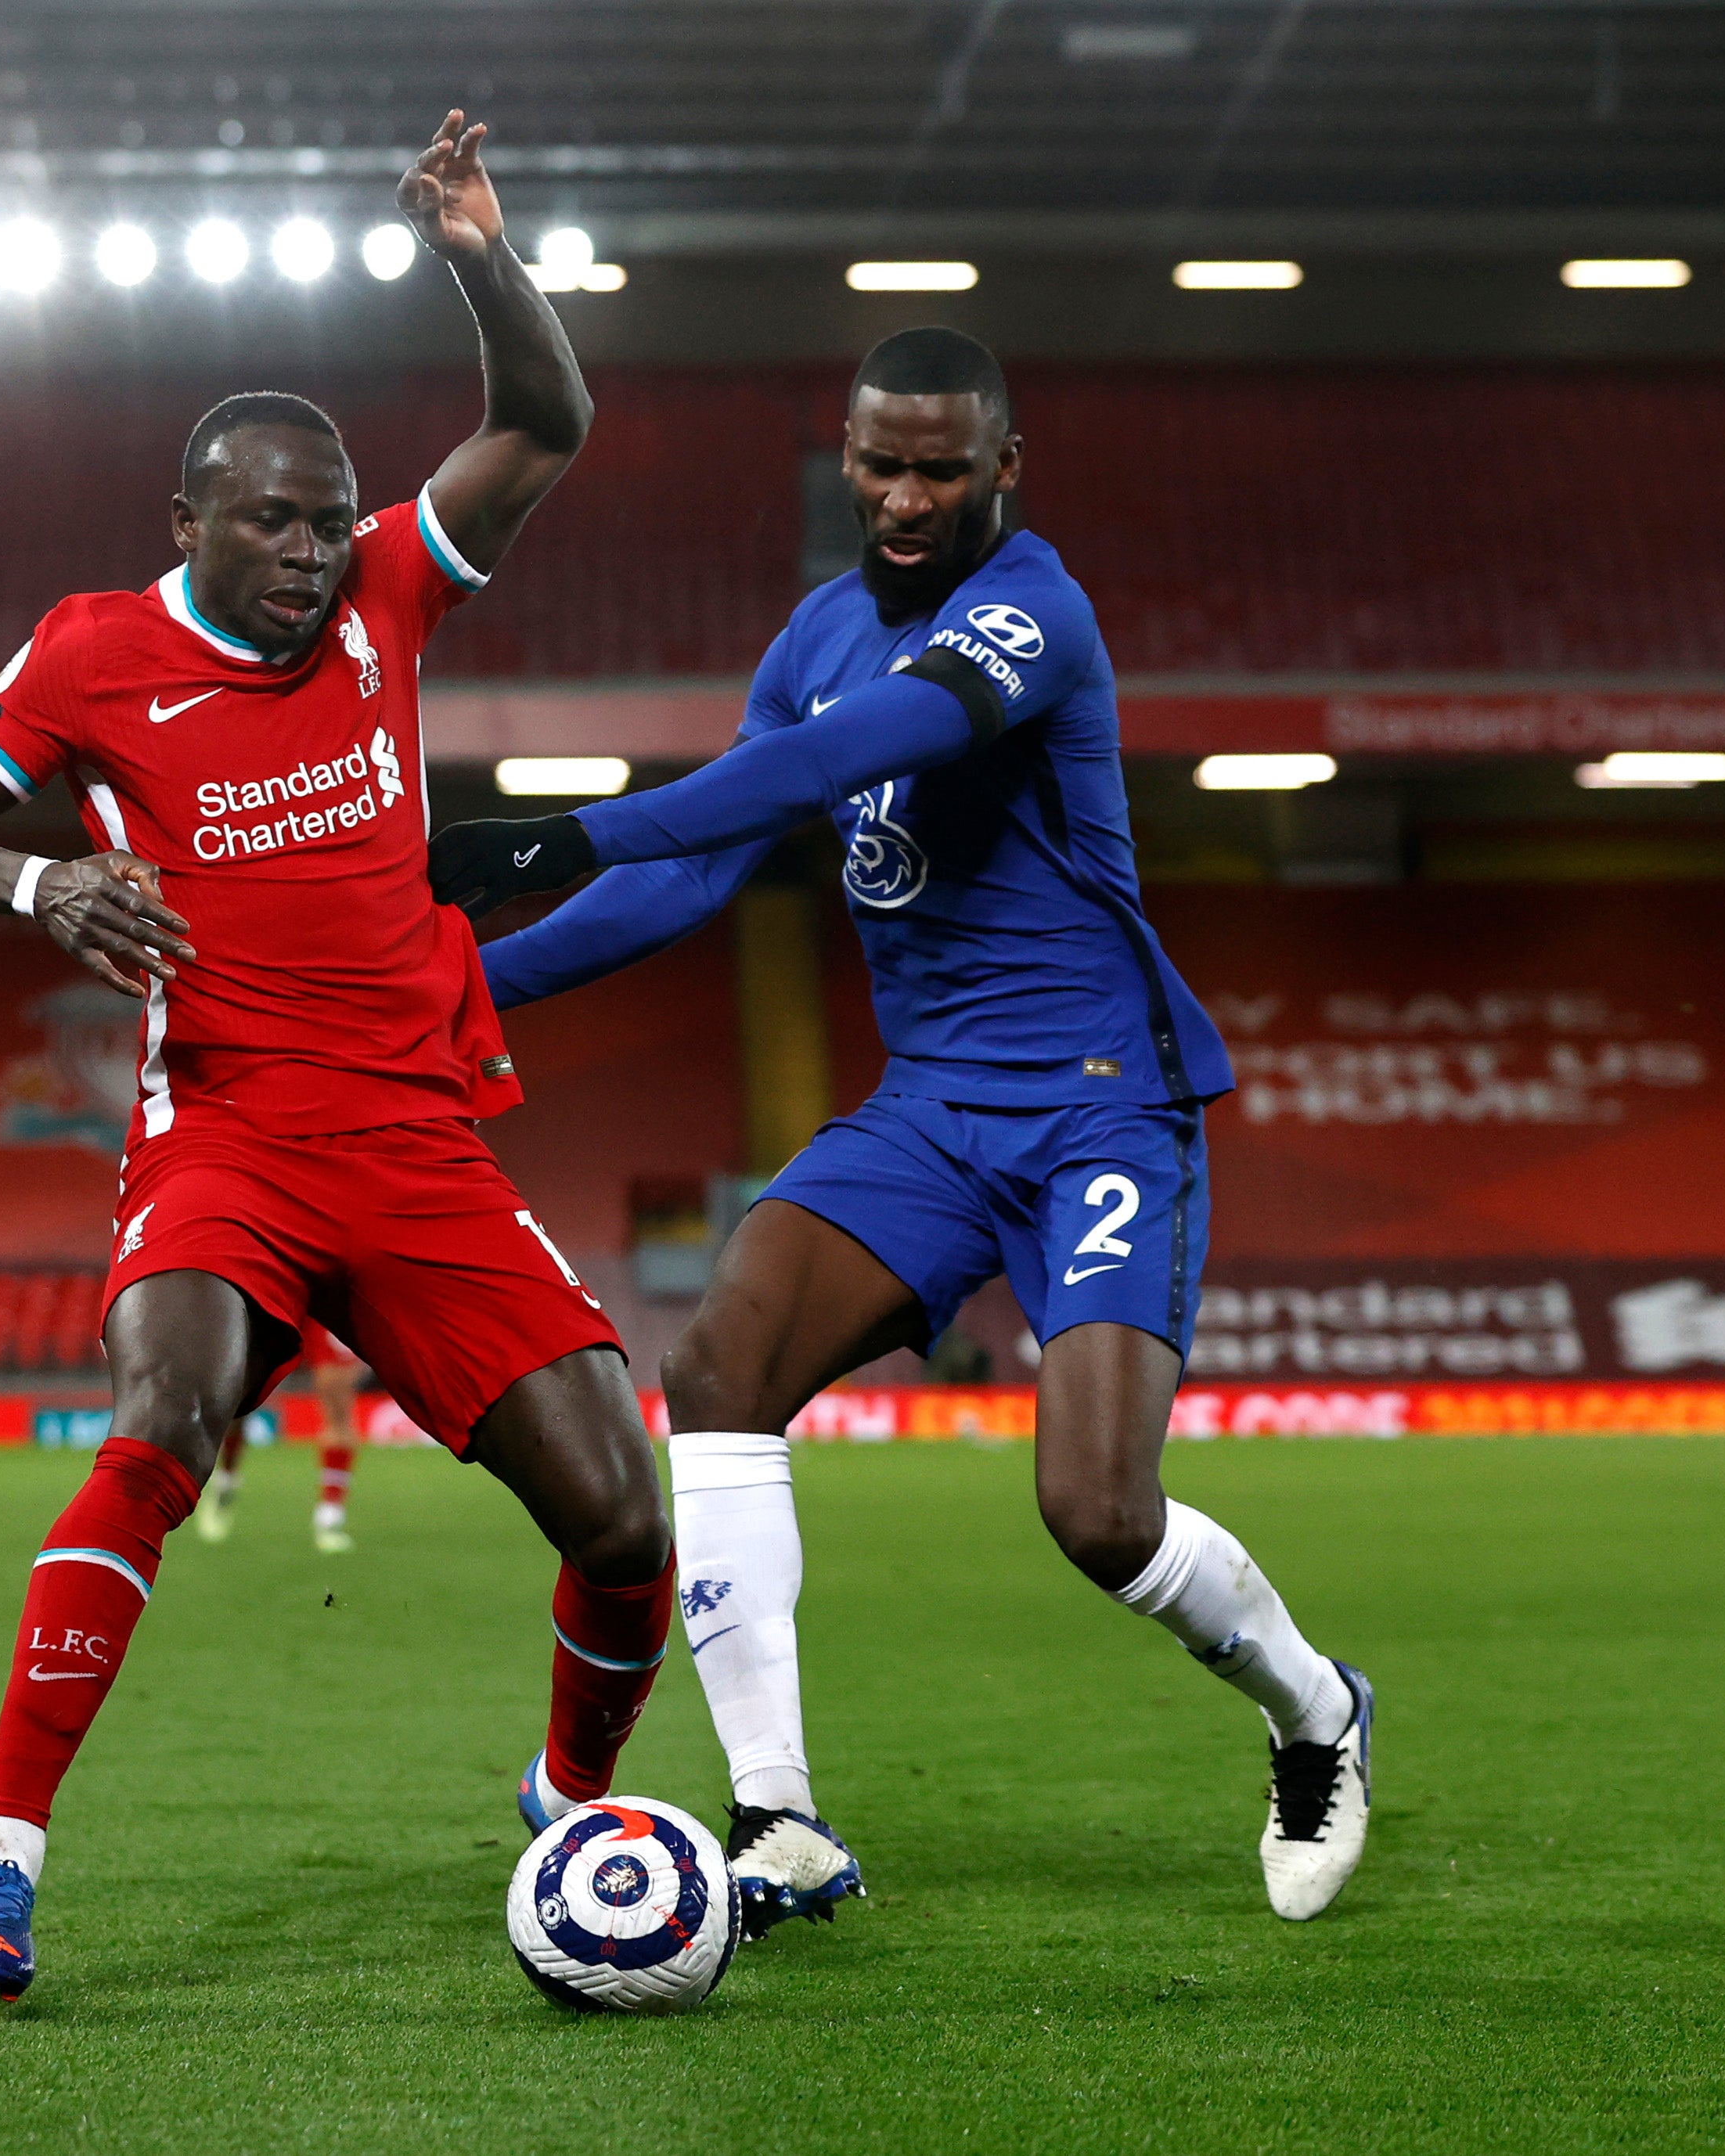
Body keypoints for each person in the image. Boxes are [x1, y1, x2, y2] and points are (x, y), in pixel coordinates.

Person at [0, 110, 667, 2003]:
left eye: (328, 518)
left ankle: (566, 1795)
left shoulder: (392, 590)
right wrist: (35, 884)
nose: (310, 552)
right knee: (163, 1416)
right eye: (272, 521)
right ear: (190, 522)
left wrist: (478, 249)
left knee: (620, 1517)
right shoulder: (88, 658)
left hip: (419, 1141)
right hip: (224, 1132)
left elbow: (544, 423)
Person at [434, 327, 1376, 1931]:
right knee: (721, 1360)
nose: (907, 492)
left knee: (1097, 1515)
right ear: (848, 455)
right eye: (881, 460)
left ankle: (1317, 1716)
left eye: (943, 465)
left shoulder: (1034, 615)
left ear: (1006, 466)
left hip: (1099, 1110)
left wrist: (560, 832)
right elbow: (694, 877)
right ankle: (781, 1821)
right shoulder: (813, 633)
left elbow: (848, 755)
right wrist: (464, 995)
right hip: (931, 1108)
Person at [193, 1320, 368, 1553]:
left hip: (322, 1308)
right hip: (280, 1299)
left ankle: (330, 1516)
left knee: (338, 1408)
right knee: (240, 1403)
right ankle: (226, 1482)